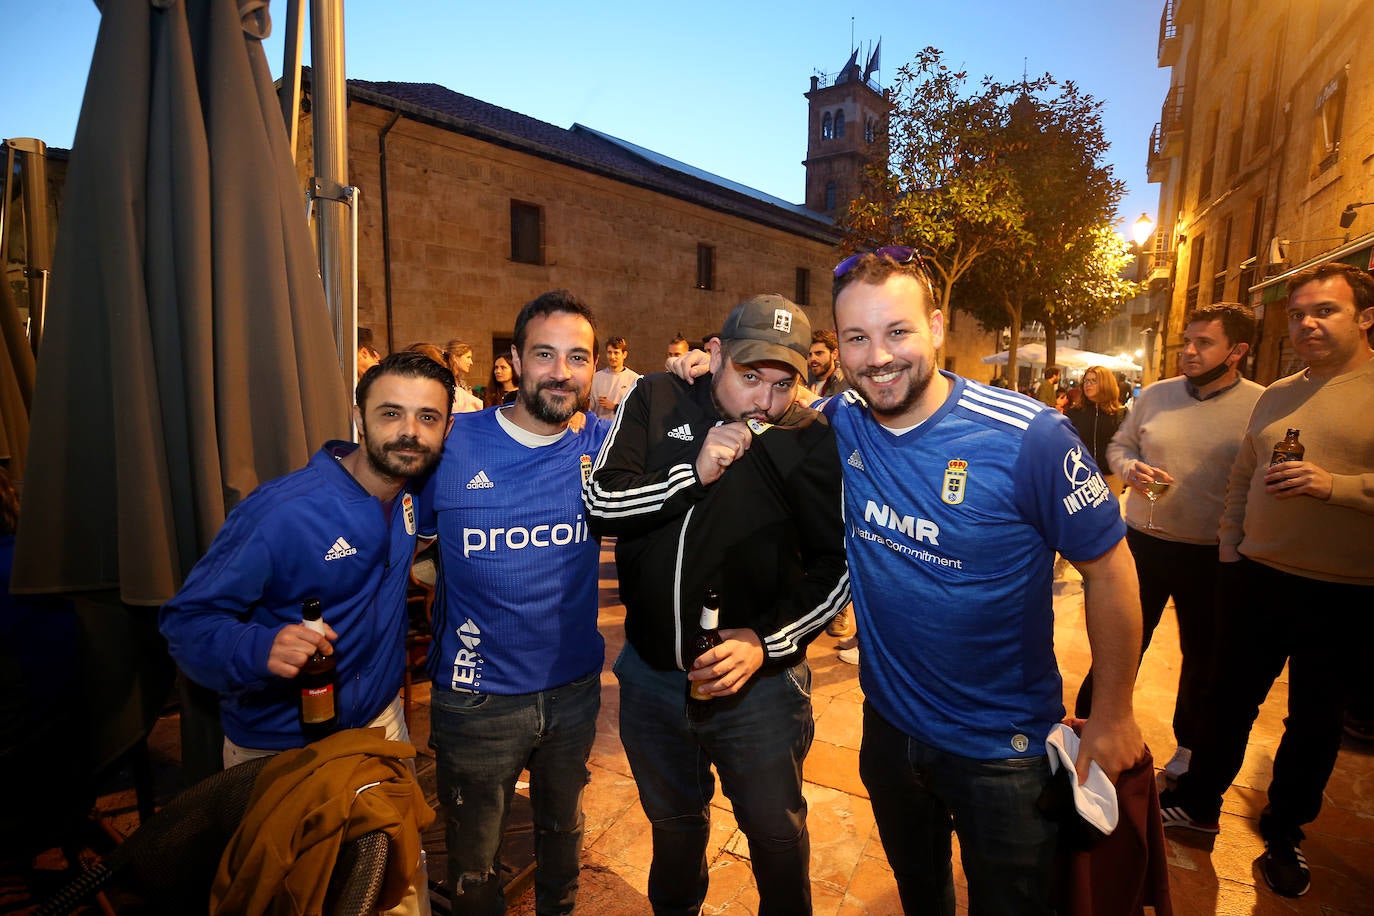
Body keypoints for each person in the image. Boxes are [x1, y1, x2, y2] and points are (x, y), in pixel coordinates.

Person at [823, 248, 1143, 914]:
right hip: (889, 730)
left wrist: (1114, 712)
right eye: (856, 338)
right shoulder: (841, 420)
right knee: (921, 894)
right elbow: (767, 409)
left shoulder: (1032, 438)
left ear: (937, 328)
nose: (877, 356)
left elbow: (1109, 567)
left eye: (897, 331)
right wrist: (697, 382)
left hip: (1004, 752)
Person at [160, 351, 454, 913]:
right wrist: (258, 646)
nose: (409, 432)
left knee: (396, 888)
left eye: (427, 417)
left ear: (446, 428)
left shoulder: (415, 494)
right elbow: (187, 621)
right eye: (391, 413)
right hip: (279, 746)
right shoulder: (281, 511)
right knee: (286, 898)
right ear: (358, 416)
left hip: (378, 726)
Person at [585, 293, 849, 915]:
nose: (765, 400)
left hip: (761, 690)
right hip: (653, 677)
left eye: (782, 384)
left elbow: (838, 566)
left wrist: (765, 643)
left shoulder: (811, 439)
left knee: (776, 835)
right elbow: (601, 504)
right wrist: (692, 472)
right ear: (716, 354)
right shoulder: (658, 397)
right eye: (749, 376)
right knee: (675, 828)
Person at [1159, 262, 1374, 899]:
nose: (1306, 323)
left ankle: (1284, 834)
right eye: (1298, 313)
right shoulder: (1278, 393)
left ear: (1366, 317)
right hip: (1256, 576)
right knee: (1226, 698)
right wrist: (1231, 545)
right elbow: (1243, 475)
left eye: (1325, 310)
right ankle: (1199, 803)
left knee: (1315, 719)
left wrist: (1334, 486)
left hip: (1344, 587)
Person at [422, 290, 611, 915]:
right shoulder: (452, 444)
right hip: (476, 696)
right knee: (474, 863)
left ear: (593, 367)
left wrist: (697, 374)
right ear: (517, 360)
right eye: (545, 354)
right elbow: (405, 539)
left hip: (574, 689)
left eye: (577, 357)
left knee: (564, 833)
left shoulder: (605, 444)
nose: (561, 372)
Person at [1077, 303, 1262, 786]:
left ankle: (1189, 746)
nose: (1190, 352)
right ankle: (1084, 727)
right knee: (1119, 640)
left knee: (1203, 655)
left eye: (1205, 343)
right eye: (1188, 341)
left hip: (1212, 552)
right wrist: (1129, 467)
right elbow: (1120, 446)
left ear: (1237, 351)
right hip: (1143, 543)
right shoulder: (1157, 395)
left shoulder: (1260, 404)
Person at [1067, 366, 1128, 493]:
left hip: (1112, 477)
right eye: (1086, 381)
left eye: (1093, 381)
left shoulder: (1121, 414)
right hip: (1081, 479)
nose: (1088, 384)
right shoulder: (1074, 413)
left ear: (1106, 383)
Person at [589, 335, 640, 419]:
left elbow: (637, 411)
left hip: (623, 427)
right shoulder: (595, 378)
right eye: (609, 352)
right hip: (599, 426)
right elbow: (588, 409)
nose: (612, 357)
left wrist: (615, 407)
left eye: (616, 353)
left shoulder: (634, 380)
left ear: (624, 354)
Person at [443, 338, 486, 413]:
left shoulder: (461, 383)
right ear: (454, 357)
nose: (471, 362)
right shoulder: (444, 381)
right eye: (468, 357)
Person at [806, 329, 849, 397]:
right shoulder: (802, 380)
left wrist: (816, 402)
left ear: (834, 354)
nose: (812, 358)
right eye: (810, 354)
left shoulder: (846, 385)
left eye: (819, 353)